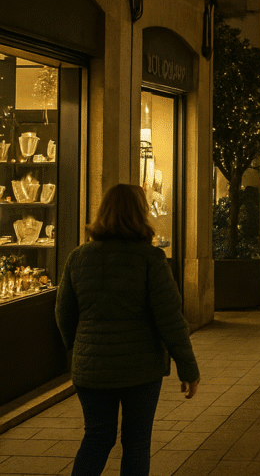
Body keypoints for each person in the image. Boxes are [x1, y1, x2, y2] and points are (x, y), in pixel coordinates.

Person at [55, 184, 200, 476]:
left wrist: (81, 347)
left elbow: (63, 314)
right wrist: (188, 368)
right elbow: (170, 318)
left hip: (92, 368)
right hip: (141, 369)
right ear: (140, 215)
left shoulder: (78, 257)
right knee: (136, 443)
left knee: (96, 437)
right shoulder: (150, 259)